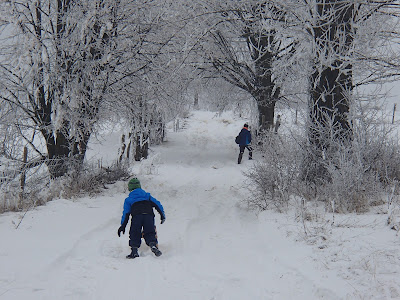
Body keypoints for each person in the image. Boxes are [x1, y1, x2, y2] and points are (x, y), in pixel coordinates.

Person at [118, 177, 166, 259]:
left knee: (135, 232)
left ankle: (134, 251)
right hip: (149, 215)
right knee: (150, 232)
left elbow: (126, 214)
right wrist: (162, 215)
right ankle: (153, 245)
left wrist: (123, 226)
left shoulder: (129, 199)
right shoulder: (147, 196)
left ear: (129, 188)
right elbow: (157, 204)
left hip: (137, 216)